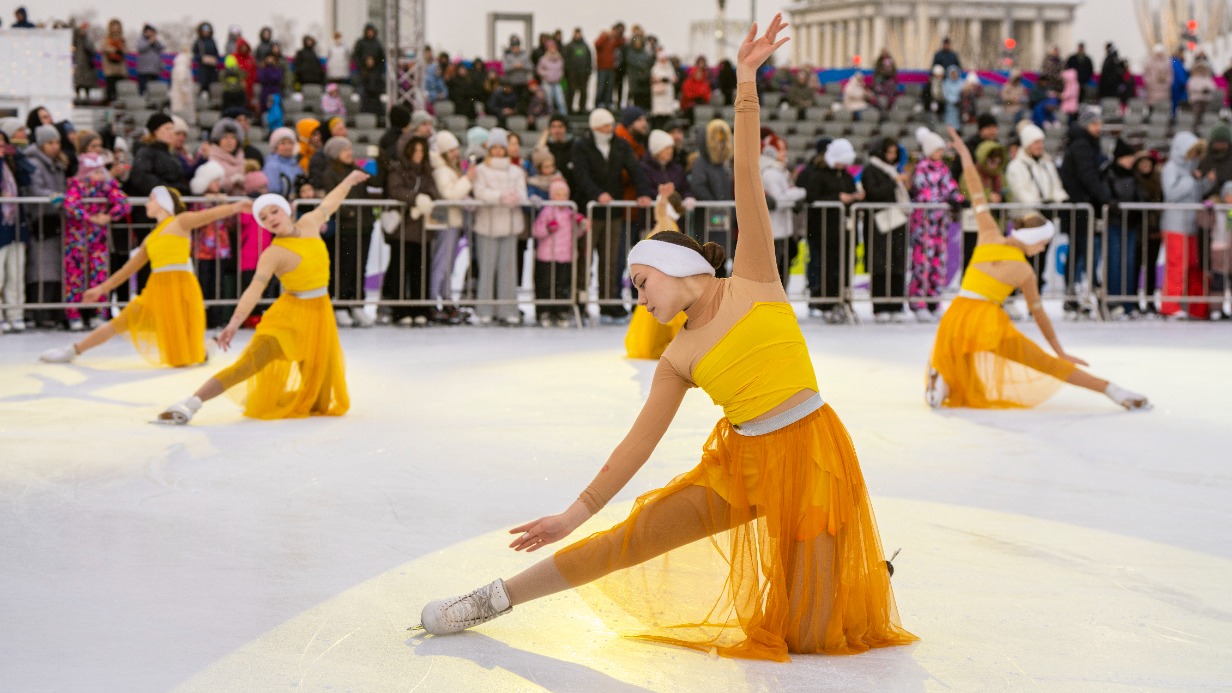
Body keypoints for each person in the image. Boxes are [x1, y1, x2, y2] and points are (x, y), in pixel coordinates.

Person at [416, 18, 917, 661]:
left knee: (816, 635)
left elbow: (743, 179)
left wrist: (744, 84)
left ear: (681, 268)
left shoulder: (756, 279)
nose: (638, 294)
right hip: (741, 465)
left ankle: (865, 573)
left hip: (815, 454)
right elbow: (635, 446)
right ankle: (492, 598)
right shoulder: (676, 358)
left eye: (641, 278)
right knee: (632, 538)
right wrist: (573, 513)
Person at [926, 127, 1150, 411]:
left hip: (956, 314)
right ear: (1032, 241)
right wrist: (1059, 351)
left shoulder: (988, 234)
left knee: (957, 357)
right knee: (1043, 363)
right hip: (987, 321)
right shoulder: (1025, 272)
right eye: (1042, 244)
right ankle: (1112, 390)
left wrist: (964, 154)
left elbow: (975, 189)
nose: (1043, 249)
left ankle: (941, 383)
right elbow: (1040, 316)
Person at [155, 172, 367, 424]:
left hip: (320, 315)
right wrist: (233, 323)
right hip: (289, 317)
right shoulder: (273, 253)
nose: (270, 219)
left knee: (319, 402)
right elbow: (253, 290)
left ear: (287, 209)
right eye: (263, 218)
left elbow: (331, 202)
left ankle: (265, 397)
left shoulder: (310, 222)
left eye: (273, 212)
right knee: (248, 364)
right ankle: (191, 403)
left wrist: (348, 180)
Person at [40, 188, 246, 366]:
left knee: (185, 355)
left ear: (163, 202)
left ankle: (206, 350)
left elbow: (209, 215)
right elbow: (127, 270)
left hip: (182, 288)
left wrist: (236, 207)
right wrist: (100, 289)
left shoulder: (180, 222)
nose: (147, 203)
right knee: (120, 322)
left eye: (151, 199)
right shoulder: (151, 237)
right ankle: (73, 350)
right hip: (156, 289)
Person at [63, 153, 130, 331]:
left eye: (101, 172)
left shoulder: (107, 186)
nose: (100, 176)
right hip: (76, 240)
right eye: (96, 172)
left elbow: (123, 202)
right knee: (75, 276)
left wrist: (109, 216)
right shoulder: (76, 185)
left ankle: (98, 312)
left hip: (98, 240)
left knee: (99, 274)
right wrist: (90, 218)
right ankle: (74, 313)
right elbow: (71, 205)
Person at [802, 138, 860, 321]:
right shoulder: (819, 175)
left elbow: (850, 193)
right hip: (824, 230)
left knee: (844, 266)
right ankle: (825, 302)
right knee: (826, 267)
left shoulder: (846, 175)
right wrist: (837, 197)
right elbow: (811, 197)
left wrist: (856, 197)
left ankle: (842, 300)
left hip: (843, 230)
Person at [1160, 131, 1215, 320]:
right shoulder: (1171, 168)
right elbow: (1171, 193)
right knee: (1177, 264)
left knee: (1193, 265)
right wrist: (1191, 181)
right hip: (1175, 225)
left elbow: (1195, 193)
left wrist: (1206, 182)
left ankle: (1196, 306)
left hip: (1191, 225)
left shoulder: (1190, 171)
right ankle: (1170, 304)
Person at [909, 127, 962, 321]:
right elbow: (923, 194)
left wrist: (958, 198)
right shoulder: (921, 168)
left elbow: (950, 187)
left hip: (940, 224)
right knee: (921, 263)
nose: (941, 154)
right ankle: (918, 301)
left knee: (937, 263)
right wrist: (943, 201)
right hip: (924, 224)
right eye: (938, 150)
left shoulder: (943, 169)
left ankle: (934, 300)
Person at [384, 135, 438, 326]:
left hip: (423, 229)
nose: (418, 154)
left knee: (421, 271)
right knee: (400, 270)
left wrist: (426, 199)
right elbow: (395, 190)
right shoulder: (398, 169)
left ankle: (421, 308)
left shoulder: (426, 171)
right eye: (415, 150)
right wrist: (416, 200)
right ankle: (400, 310)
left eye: (421, 151)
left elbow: (433, 190)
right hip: (403, 229)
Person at [862, 137, 911, 321]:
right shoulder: (871, 170)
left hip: (897, 222)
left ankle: (896, 305)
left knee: (897, 263)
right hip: (878, 225)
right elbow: (874, 193)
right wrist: (893, 182)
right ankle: (880, 305)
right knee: (880, 264)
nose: (891, 156)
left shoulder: (894, 171)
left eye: (894, 153)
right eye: (889, 152)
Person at [531, 178, 586, 327]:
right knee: (546, 284)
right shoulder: (546, 211)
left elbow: (576, 234)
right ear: (551, 195)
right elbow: (537, 230)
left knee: (562, 284)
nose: (561, 197)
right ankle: (544, 311)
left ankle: (561, 310)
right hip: (547, 256)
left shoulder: (570, 212)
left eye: (564, 194)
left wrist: (581, 225)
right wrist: (548, 228)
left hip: (565, 256)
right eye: (557, 194)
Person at [760, 131, 805, 285]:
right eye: (781, 149)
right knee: (775, 271)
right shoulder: (770, 173)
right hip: (773, 230)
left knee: (782, 269)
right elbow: (780, 199)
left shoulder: (780, 171)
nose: (784, 153)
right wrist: (800, 193)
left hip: (781, 229)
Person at [0, 129, 30, 333]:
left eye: (3, 143)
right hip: (1, 227)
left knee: (16, 273)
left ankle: (15, 313)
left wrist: (16, 154)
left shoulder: (11, 165)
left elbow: (28, 177)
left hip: (15, 225)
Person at [564, 28, 592, 114]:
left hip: (583, 73)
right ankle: (569, 109)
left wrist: (588, 71)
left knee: (583, 91)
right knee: (571, 91)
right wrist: (568, 71)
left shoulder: (585, 46)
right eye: (576, 34)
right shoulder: (569, 46)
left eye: (579, 34)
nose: (578, 35)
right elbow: (566, 59)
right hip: (572, 74)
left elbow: (589, 59)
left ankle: (582, 108)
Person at [101, 19, 128, 104]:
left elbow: (126, 50)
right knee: (111, 87)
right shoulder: (107, 39)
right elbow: (104, 48)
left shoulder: (122, 39)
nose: (116, 28)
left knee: (120, 88)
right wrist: (114, 49)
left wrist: (121, 50)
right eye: (114, 26)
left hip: (120, 68)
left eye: (117, 26)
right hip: (110, 67)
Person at [135, 25, 165, 96]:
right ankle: (141, 101)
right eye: (150, 32)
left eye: (153, 32)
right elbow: (140, 48)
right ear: (145, 32)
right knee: (143, 88)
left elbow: (161, 47)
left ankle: (153, 101)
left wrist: (155, 41)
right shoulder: (141, 40)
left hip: (154, 70)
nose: (151, 34)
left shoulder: (156, 42)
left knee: (154, 89)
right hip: (144, 71)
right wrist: (149, 42)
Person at [193, 23, 221, 95]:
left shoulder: (212, 41)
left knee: (212, 88)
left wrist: (214, 59)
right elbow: (194, 55)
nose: (206, 32)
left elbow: (216, 53)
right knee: (201, 88)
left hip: (212, 70)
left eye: (207, 30)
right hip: (203, 69)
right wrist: (202, 58)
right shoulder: (198, 42)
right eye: (204, 30)